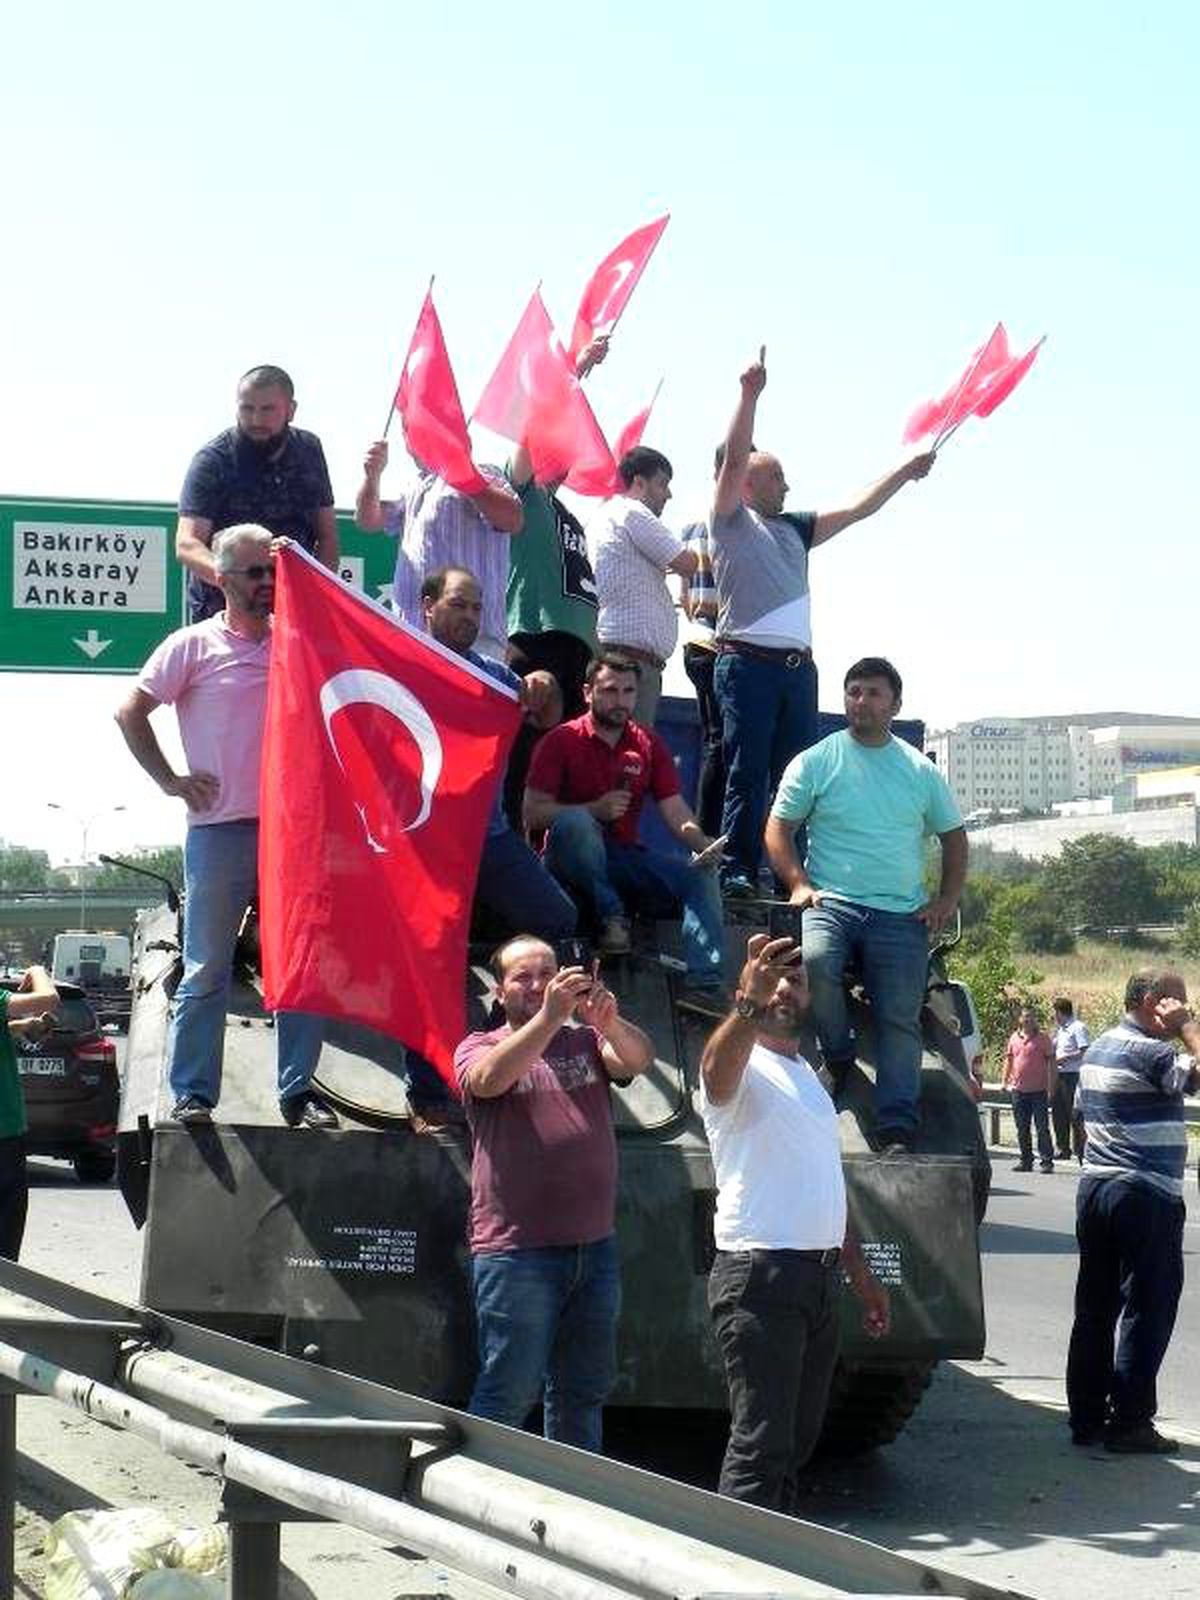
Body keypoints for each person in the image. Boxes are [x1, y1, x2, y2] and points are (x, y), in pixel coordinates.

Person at [115, 523, 335, 1129]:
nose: (267, 583)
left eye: (272, 571)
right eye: (255, 573)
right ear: (222, 578)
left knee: (299, 965)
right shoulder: (190, 645)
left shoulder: (298, 642)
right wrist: (171, 780)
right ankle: (193, 1095)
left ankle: (298, 1093)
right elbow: (129, 710)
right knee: (207, 965)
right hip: (218, 831)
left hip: (291, 832)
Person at [711, 348, 935, 897]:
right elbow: (735, 459)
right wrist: (749, 396)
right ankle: (737, 868)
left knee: (797, 776)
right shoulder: (731, 522)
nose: (787, 487)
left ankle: (797, 871)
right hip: (746, 662)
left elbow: (858, 507)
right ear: (747, 485)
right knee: (748, 770)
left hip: (796, 669)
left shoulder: (795, 528)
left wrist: (905, 472)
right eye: (778, 478)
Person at [700, 933, 890, 1508]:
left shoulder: (808, 1076)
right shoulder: (742, 1063)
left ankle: (775, 1558)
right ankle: (733, 1572)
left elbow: (824, 1183)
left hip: (818, 1278)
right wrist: (747, 1005)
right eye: (772, 979)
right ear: (749, 987)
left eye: (798, 980)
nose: (786, 989)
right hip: (761, 1276)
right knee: (761, 1444)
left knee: (797, 1441)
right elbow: (713, 1074)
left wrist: (859, 1273)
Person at [454, 936, 654, 1449]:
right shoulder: (478, 1044)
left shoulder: (584, 1043)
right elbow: (488, 1079)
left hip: (594, 1249)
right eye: (523, 977)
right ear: (499, 991)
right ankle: (473, 1509)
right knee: (507, 1392)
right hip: (516, 1253)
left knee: (581, 1392)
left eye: (548, 973)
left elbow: (636, 1060)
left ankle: (571, 1511)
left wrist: (606, 1021)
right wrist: (548, 1018)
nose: (538, 984)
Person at [764, 657, 966, 1152]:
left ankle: (896, 1124)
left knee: (900, 1017)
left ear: (895, 704)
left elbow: (955, 840)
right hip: (832, 902)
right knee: (814, 963)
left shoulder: (919, 771)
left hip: (901, 914)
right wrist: (798, 883)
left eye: (874, 693)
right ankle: (837, 1054)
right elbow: (778, 829)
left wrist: (945, 899)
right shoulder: (817, 760)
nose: (862, 701)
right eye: (854, 691)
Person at [525, 654, 726, 993]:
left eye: (628, 691)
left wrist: (701, 842)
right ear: (588, 693)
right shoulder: (560, 740)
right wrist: (594, 809)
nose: (620, 700)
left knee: (699, 876)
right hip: (566, 861)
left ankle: (705, 986)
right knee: (577, 822)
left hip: (624, 858)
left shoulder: (647, 744)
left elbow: (675, 809)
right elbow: (532, 813)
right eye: (610, 691)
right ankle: (612, 916)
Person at [1066, 969, 1200, 1453]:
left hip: (1096, 1188)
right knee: (1149, 1305)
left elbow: (1080, 1116)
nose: (1187, 1007)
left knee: (1095, 1308)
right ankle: (1130, 1423)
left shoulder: (1098, 1046)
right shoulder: (1154, 1051)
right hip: (1144, 1194)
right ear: (1152, 1001)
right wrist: (1187, 1027)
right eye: (1179, 1001)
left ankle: (1085, 1419)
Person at [177, 365, 338, 623]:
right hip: (223, 617)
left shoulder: (309, 450)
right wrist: (232, 580)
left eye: (267, 410)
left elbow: (327, 537)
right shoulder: (213, 460)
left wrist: (313, 595)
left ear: (291, 410)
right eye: (247, 409)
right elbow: (187, 543)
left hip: (291, 613)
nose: (256, 420)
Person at [355, 437, 522, 662]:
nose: (414, 435)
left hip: (474, 642)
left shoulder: (485, 472)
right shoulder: (414, 486)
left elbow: (513, 519)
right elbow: (368, 520)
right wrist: (372, 476)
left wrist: (464, 474)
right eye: (408, 430)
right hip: (413, 638)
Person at [585, 446, 697, 729]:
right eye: (663, 484)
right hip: (631, 664)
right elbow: (686, 562)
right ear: (638, 483)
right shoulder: (633, 512)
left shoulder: (603, 516)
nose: (668, 494)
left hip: (620, 656)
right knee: (625, 760)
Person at [679, 447, 727, 838]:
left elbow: (684, 595)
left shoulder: (692, 526)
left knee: (717, 741)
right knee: (724, 745)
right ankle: (712, 836)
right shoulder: (728, 526)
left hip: (696, 641)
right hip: (720, 644)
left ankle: (709, 835)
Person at [0, 964, 59, 1259]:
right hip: (4, 1133)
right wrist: (37, 971)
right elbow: (49, 999)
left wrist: (23, 1026)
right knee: (6, 1244)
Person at [1002, 1007, 1057, 1173]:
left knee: (1042, 1128)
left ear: (1035, 1020)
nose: (1028, 1020)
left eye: (1031, 1017)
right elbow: (1008, 1060)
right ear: (1020, 1019)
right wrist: (1004, 1081)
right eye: (1025, 1017)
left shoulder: (1043, 1038)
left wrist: (1051, 1087)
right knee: (1022, 1128)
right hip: (1019, 1090)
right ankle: (1025, 1160)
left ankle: (1046, 1161)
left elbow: (1052, 1064)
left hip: (1039, 1091)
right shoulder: (1014, 1038)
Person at [1052, 996, 1090, 1162]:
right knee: (1058, 1112)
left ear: (1061, 1012)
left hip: (1073, 1075)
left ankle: (1080, 1150)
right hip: (1059, 1075)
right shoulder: (1061, 1030)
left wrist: (1065, 1058)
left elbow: (1084, 1051)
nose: (1054, 1017)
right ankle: (1062, 1148)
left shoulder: (1077, 1027)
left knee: (1074, 1113)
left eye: (1055, 1013)